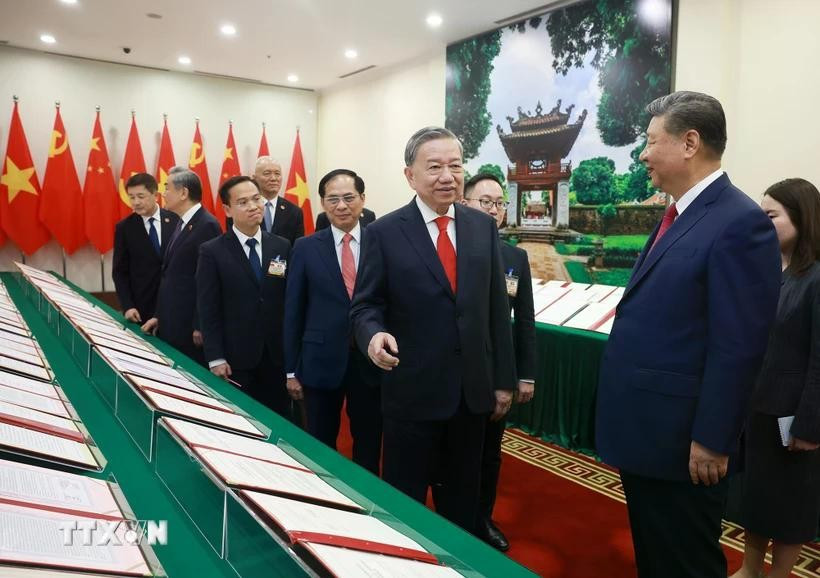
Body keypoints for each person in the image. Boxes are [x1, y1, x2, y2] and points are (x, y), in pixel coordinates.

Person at [595, 91, 782, 578]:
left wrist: (713, 439)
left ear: (689, 143)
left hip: (686, 442)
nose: (642, 155)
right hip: (652, 432)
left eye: (651, 142)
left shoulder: (739, 222)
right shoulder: (680, 212)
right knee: (658, 558)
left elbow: (738, 346)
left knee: (686, 563)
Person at [350, 126, 516, 532]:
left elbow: (497, 309)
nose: (448, 176)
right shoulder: (383, 233)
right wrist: (373, 336)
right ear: (410, 175)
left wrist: (503, 381)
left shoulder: (481, 227)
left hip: (470, 395)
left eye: (455, 165)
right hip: (412, 393)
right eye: (435, 167)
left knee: (462, 505)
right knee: (403, 507)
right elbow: (365, 306)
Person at [731, 178, 820, 578]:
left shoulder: (815, 279)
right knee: (756, 498)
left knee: (790, 507)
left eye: (771, 216)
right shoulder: (768, 271)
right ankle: (750, 569)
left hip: (794, 419)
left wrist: (810, 423)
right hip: (758, 411)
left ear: (802, 218)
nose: (761, 223)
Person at [284, 169, 381, 474]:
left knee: (369, 439)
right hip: (320, 359)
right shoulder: (305, 247)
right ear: (323, 203)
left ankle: (368, 497)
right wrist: (290, 369)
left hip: (370, 361)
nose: (342, 206)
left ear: (362, 200)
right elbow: (293, 311)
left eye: (349, 197)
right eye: (333, 199)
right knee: (320, 440)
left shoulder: (383, 243)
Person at [461, 173, 535, 551]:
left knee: (490, 454)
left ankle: (482, 519)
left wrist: (524, 376)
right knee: (454, 455)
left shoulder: (515, 258)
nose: (493, 210)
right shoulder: (452, 249)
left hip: (496, 374)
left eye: (499, 203)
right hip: (455, 375)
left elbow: (523, 321)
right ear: (464, 204)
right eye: (484, 202)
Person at [196, 175, 292, 415]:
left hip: (276, 356)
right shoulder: (212, 251)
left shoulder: (282, 246)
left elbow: (288, 302)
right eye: (243, 202)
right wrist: (215, 357)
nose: (253, 206)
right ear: (227, 209)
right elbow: (208, 308)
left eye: (256, 199)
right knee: (243, 423)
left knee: (280, 420)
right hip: (235, 359)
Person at [141, 168, 222, 364]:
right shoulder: (182, 222)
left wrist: (200, 324)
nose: (163, 193)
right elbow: (170, 275)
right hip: (172, 321)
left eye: (167, 188)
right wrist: (159, 315)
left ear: (184, 193)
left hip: (190, 328)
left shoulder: (206, 225)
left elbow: (208, 281)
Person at [112, 173, 179, 324]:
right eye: (131, 197)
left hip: (175, 304)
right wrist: (127, 306)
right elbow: (120, 272)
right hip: (142, 307)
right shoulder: (125, 228)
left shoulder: (176, 220)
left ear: (155, 195)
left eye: (141, 196)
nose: (135, 202)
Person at [245, 156, 304, 245]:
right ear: (254, 178)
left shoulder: (294, 211)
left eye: (277, 174)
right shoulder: (244, 208)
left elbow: (297, 248)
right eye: (267, 173)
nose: (273, 178)